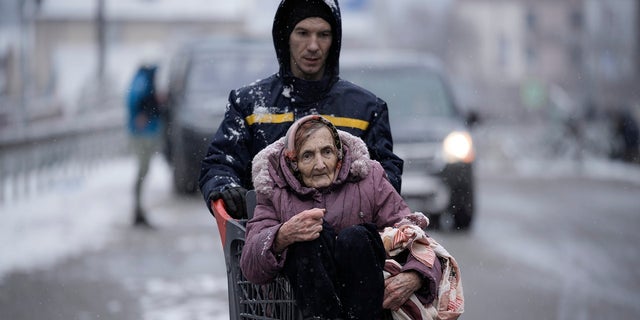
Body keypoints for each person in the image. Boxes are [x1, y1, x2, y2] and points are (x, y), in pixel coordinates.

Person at [199, 0, 403, 219]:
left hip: (346, 241)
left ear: (334, 41)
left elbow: (386, 176)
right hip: (267, 236)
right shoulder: (249, 105)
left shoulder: (366, 110)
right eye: (303, 33)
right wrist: (225, 187)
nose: (313, 45)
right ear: (285, 37)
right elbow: (220, 163)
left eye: (323, 35)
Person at [240, 115, 442, 319]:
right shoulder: (275, 191)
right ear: (293, 161)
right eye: (307, 156)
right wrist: (282, 236)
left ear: (338, 153)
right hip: (300, 309)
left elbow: (414, 237)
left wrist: (415, 275)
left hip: (368, 306)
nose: (320, 164)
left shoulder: (369, 178)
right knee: (309, 239)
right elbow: (250, 265)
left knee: (355, 238)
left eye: (327, 152)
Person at [126, 63, 163, 228]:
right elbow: (137, 101)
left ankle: (139, 209)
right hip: (143, 134)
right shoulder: (143, 81)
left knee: (144, 172)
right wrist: (143, 114)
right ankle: (137, 210)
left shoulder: (142, 80)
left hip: (146, 132)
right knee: (142, 171)